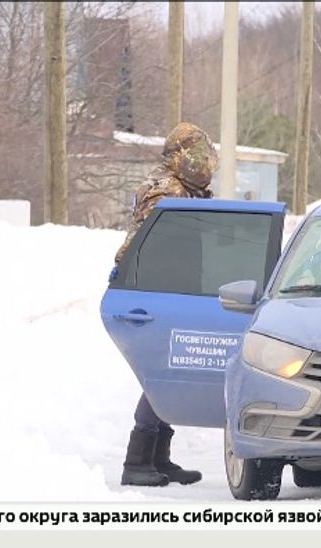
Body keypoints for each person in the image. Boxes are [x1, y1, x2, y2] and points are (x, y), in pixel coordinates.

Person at [114, 122, 218, 487]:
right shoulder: (166, 192)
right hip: (157, 294)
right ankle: (137, 461)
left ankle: (158, 457)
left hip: (175, 292)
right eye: (197, 155)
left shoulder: (188, 190)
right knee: (161, 374)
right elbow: (159, 249)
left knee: (169, 372)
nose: (205, 163)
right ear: (180, 158)